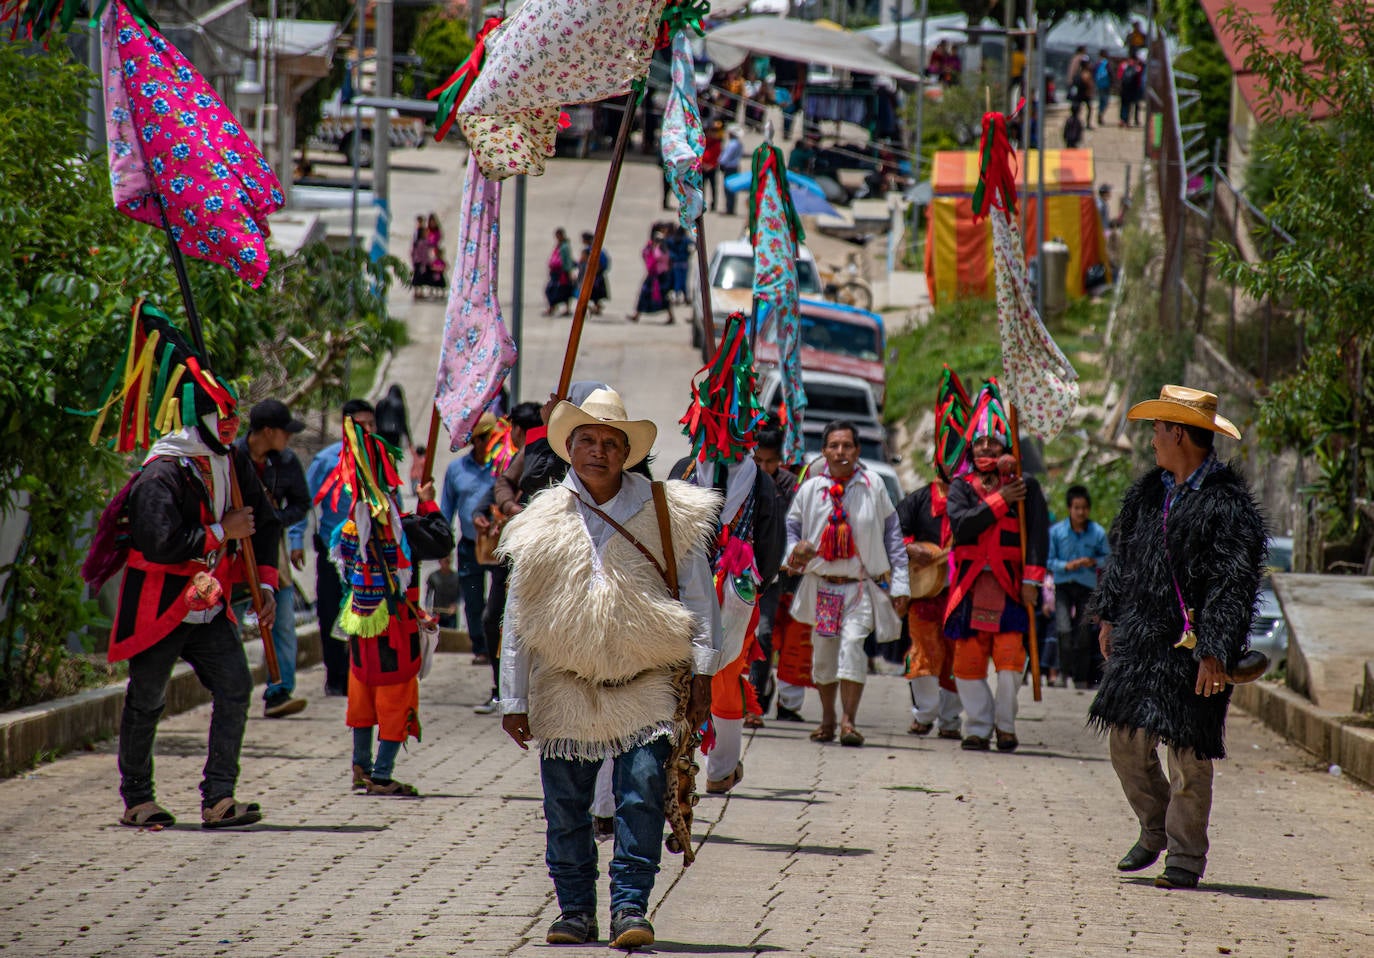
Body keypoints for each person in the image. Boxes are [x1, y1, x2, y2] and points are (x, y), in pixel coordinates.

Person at [498, 388, 721, 949]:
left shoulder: (670, 511)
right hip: (562, 681)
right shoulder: (539, 520)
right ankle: (574, 911)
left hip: (646, 679)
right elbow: (517, 615)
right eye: (587, 441)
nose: (598, 451)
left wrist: (703, 674)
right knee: (565, 805)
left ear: (627, 452)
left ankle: (630, 908)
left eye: (610, 443)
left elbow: (700, 599)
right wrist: (514, 699)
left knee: (643, 792)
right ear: (570, 448)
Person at [1089, 386, 1265, 890]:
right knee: (1124, 740)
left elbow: (1233, 585)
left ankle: (1185, 859)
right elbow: (1122, 561)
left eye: (1158, 429)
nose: (1151, 440)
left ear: (1181, 434)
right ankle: (1155, 826)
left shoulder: (1229, 507)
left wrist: (1215, 651)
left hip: (1196, 651)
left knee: (1190, 755)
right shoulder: (1149, 493)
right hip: (1142, 643)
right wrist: (1108, 616)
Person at [106, 325, 280, 829]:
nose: (230, 427)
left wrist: (263, 586)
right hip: (161, 602)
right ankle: (138, 798)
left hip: (209, 602)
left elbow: (263, 521)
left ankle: (218, 797)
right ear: (199, 417)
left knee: (235, 687)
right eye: (221, 417)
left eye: (233, 417)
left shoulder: (232, 460)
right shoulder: (162, 472)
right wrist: (217, 531)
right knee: (147, 698)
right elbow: (159, 542)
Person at [321, 415, 454, 796]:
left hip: (361, 621)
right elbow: (443, 542)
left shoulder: (348, 527)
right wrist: (428, 502)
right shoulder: (404, 528)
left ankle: (360, 766)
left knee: (362, 694)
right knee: (397, 698)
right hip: (395, 627)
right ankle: (381, 773)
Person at [784, 420, 909, 747]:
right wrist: (794, 552)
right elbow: (791, 530)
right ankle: (826, 719)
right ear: (824, 451)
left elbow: (893, 536)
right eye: (834, 446)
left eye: (847, 446)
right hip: (825, 589)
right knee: (824, 657)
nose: (841, 452)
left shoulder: (873, 485)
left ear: (856, 450)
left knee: (853, 647)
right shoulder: (811, 489)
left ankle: (848, 722)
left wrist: (900, 585)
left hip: (858, 588)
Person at [943, 381, 1048, 753]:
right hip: (971, 586)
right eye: (980, 441)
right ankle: (978, 725)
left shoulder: (1027, 486)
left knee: (1009, 664)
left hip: (1010, 585)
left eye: (993, 441)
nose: (986, 447)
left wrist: (1033, 580)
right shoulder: (960, 487)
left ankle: (1005, 727)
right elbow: (962, 527)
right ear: (971, 446)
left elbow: (1037, 537)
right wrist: (1002, 499)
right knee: (967, 666)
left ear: (1005, 443)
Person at [896, 377, 966, 740]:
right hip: (924, 595)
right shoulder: (919, 499)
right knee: (924, 652)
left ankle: (952, 721)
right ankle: (924, 715)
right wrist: (913, 548)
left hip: (959, 592)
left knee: (955, 655)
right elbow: (895, 532)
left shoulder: (972, 502)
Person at [232, 399, 311, 719]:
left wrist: (275, 518)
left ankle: (279, 690)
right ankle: (230, 688)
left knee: (282, 621)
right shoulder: (232, 459)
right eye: (284, 432)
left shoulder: (287, 462)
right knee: (229, 621)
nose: (288, 439)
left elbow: (301, 502)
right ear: (267, 431)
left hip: (270, 550)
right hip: (233, 548)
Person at [470, 401, 545, 714]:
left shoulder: (559, 450)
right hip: (512, 556)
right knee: (494, 619)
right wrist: (509, 509)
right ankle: (502, 690)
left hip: (544, 554)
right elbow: (502, 486)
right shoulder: (527, 454)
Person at [303, 398, 375, 697]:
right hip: (334, 553)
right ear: (346, 427)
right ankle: (336, 676)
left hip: (370, 552)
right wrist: (296, 541)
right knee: (331, 610)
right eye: (361, 425)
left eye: (372, 424)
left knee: (369, 612)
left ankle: (364, 675)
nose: (368, 430)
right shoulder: (325, 461)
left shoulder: (380, 459)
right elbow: (305, 504)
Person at [748, 422, 803, 724]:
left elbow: (796, 528)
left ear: (781, 460)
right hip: (738, 569)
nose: (765, 467)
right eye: (759, 461)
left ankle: (754, 700)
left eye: (771, 461)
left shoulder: (791, 486)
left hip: (772, 574)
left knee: (764, 633)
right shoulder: (743, 480)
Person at [439, 412, 500, 665]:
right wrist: (444, 545)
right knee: (473, 600)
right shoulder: (456, 470)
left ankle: (496, 644)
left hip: (498, 546)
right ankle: (480, 647)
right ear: (476, 440)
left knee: (498, 602)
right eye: (488, 438)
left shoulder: (503, 466)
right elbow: (446, 508)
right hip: (469, 546)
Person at [1048, 485, 1111, 689]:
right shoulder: (1057, 532)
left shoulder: (1097, 532)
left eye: (1084, 508)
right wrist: (1066, 565)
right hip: (1063, 587)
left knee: (1083, 633)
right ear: (1069, 508)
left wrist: (1093, 562)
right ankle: (1062, 673)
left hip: (1086, 588)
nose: (1080, 512)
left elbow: (1108, 559)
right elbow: (1048, 561)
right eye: (1076, 507)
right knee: (1064, 629)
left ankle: (1080, 678)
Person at [626, 225, 674, 325]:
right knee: (644, 294)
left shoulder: (662, 249)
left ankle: (671, 316)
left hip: (660, 277)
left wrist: (654, 248)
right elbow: (645, 255)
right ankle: (637, 315)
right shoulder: (653, 248)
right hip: (653, 275)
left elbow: (658, 257)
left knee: (663, 296)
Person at [544, 228, 576, 317]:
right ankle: (553, 307)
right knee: (554, 290)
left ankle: (562, 308)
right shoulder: (560, 245)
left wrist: (568, 272)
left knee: (561, 290)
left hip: (562, 273)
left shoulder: (565, 246)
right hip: (556, 273)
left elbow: (567, 260)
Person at [374, 383, 413, 457]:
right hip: (394, 433)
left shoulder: (381, 403)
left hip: (381, 431)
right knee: (393, 455)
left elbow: (375, 417)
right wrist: (408, 438)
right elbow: (403, 422)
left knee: (382, 454)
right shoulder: (399, 404)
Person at [425, 553, 461, 629]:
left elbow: (460, 595)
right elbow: (428, 595)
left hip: (451, 615)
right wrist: (427, 609)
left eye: (448, 560)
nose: (446, 562)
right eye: (444, 560)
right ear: (439, 561)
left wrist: (455, 605)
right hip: (437, 614)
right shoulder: (433, 576)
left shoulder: (457, 577)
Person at [578, 231, 610, 315]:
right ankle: (597, 306)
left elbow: (586, 261)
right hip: (598, 274)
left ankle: (595, 307)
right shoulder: (597, 248)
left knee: (592, 292)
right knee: (596, 293)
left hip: (595, 274)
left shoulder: (591, 250)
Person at [663, 223, 691, 305]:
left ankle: (678, 298)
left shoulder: (672, 239)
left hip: (676, 264)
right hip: (684, 264)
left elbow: (665, 243)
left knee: (677, 281)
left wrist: (671, 255)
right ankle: (684, 298)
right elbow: (693, 245)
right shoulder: (685, 239)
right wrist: (689, 254)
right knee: (683, 281)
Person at [720, 126, 744, 216]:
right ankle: (731, 207)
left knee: (728, 188)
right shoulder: (739, 144)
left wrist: (721, 163)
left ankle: (729, 208)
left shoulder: (732, 144)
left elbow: (726, 156)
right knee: (732, 189)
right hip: (735, 167)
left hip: (729, 167)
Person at [702, 120, 724, 212]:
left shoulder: (717, 142)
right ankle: (701, 204)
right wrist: (703, 164)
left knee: (713, 187)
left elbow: (718, 156)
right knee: (701, 188)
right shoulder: (701, 142)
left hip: (712, 168)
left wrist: (712, 165)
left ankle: (713, 205)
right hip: (702, 168)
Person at [1094, 49, 1113, 127]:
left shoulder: (1097, 63)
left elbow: (1094, 73)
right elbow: (1110, 73)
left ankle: (1100, 114)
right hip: (1106, 85)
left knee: (1101, 100)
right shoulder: (1106, 63)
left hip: (1099, 84)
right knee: (1105, 101)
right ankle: (1101, 114)